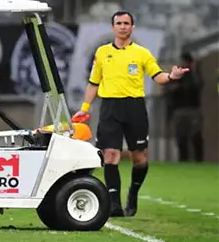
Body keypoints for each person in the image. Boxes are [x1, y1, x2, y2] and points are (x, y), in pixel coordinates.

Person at [73, 11, 189, 217]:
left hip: (135, 108)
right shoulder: (102, 52)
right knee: (110, 154)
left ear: (132, 27)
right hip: (110, 108)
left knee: (140, 158)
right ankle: (114, 203)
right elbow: (93, 83)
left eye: (127, 23)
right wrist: (85, 107)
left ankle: (133, 194)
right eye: (119, 23)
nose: (123, 26)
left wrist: (171, 75)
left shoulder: (142, 53)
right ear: (113, 27)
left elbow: (158, 76)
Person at [165, 52, 204, 162]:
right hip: (179, 110)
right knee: (181, 137)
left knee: (196, 136)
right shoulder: (177, 74)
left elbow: (199, 85)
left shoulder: (194, 75)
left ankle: (198, 159)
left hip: (193, 109)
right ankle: (183, 160)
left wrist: (196, 70)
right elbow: (169, 89)